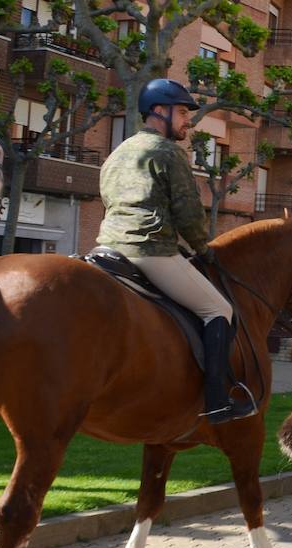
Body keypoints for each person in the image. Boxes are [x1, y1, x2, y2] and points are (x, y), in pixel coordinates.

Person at [96, 78, 254, 424]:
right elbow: (188, 212)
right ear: (158, 112)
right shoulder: (168, 153)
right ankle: (215, 401)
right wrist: (204, 248)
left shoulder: (117, 153)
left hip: (107, 248)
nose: (188, 121)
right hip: (150, 251)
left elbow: (108, 200)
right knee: (218, 310)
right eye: (182, 112)